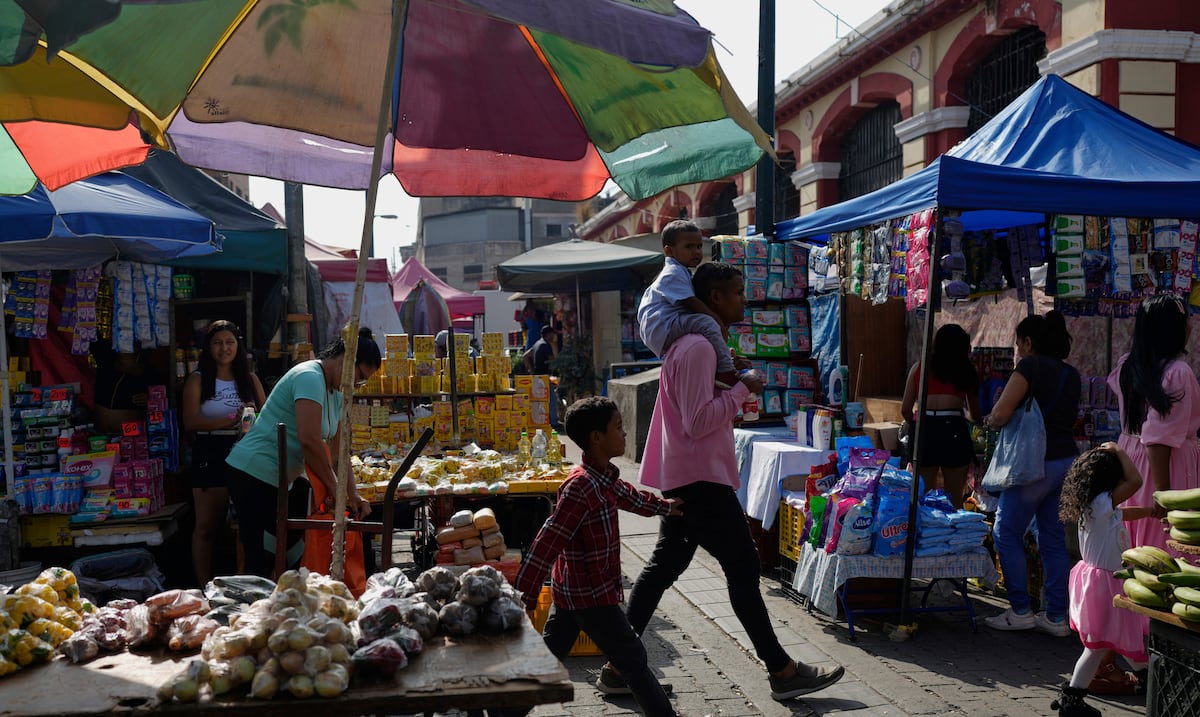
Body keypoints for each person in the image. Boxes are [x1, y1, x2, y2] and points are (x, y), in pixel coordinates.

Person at [623, 261, 845, 702]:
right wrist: (743, 388)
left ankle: (619, 664)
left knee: (663, 567)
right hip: (699, 479)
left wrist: (734, 387)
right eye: (738, 292)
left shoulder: (698, 345)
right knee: (742, 569)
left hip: (692, 475)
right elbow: (699, 420)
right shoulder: (697, 348)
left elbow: (701, 412)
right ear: (715, 299)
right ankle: (782, 672)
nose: (744, 299)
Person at [514, 397, 683, 717]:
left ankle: (502, 713)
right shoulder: (581, 486)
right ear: (596, 437)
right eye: (618, 427)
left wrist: (666, 507)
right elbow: (549, 539)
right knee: (633, 659)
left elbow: (631, 497)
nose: (624, 434)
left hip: (573, 594)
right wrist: (526, 591)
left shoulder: (604, 479)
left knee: (547, 662)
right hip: (591, 597)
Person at [224, 327, 381, 577]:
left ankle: (282, 607)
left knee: (286, 555)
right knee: (261, 559)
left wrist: (352, 495)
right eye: (359, 376)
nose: (356, 385)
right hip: (253, 472)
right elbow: (309, 440)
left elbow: (339, 452)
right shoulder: (309, 376)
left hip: (281, 479)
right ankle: (254, 612)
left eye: (362, 382)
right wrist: (334, 487)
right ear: (345, 359)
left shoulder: (337, 392)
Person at [983, 311, 1081, 637]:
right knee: (1052, 539)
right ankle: (1056, 615)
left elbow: (1001, 412)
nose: (1018, 350)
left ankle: (1020, 609)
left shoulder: (1029, 366)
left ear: (1028, 342)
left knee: (1006, 532)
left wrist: (990, 420)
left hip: (1033, 465)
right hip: (1066, 462)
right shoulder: (1072, 374)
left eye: (1018, 344)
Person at [1053, 443, 1153, 716]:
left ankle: (1148, 678)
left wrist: (1150, 511)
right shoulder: (1100, 503)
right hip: (1107, 586)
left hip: (1100, 583)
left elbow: (1124, 513)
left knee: (1117, 641)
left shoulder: (1097, 504)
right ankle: (1071, 701)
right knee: (1097, 648)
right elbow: (1137, 480)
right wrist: (1120, 450)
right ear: (1111, 479)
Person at [1109, 293, 1200, 555]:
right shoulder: (1177, 372)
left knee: (1135, 543)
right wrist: (1164, 494)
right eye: (1186, 322)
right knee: (1164, 544)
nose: (1190, 328)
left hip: (1131, 461)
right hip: (1163, 465)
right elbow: (1158, 438)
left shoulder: (1128, 364)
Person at [181, 320, 265, 586]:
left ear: (238, 346)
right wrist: (229, 421)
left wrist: (250, 418)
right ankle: (204, 586)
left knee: (245, 524)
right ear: (209, 347)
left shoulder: (249, 379)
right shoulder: (198, 379)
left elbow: (267, 415)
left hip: (246, 451)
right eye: (217, 343)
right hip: (210, 452)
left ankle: (243, 583)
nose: (224, 348)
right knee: (207, 526)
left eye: (230, 342)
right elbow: (190, 422)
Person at [637, 220, 737, 388]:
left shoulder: (682, 271)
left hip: (664, 326)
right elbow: (693, 303)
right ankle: (726, 371)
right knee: (707, 323)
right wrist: (717, 321)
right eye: (689, 247)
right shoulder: (673, 272)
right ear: (669, 251)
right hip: (664, 325)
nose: (696, 252)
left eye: (698, 246)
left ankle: (720, 361)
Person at [900, 323, 982, 508]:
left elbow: (905, 409)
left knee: (925, 497)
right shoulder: (966, 371)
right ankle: (953, 535)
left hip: (925, 427)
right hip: (953, 428)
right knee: (954, 498)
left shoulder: (918, 368)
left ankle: (927, 534)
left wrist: (917, 425)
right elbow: (976, 414)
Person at [90, 342, 163, 434]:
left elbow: (163, 398)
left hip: (131, 440)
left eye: (131, 341)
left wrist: (151, 398)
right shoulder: (106, 361)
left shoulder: (149, 374)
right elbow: (91, 335)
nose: (126, 345)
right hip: (100, 437)